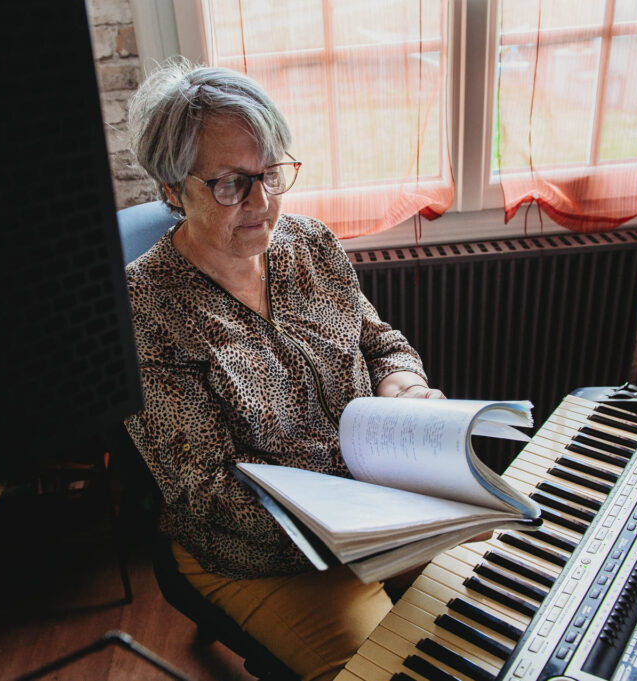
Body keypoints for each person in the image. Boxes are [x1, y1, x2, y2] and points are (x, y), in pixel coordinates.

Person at [124, 59, 448, 681]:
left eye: (271, 172)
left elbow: (378, 340)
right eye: (230, 184)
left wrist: (401, 382)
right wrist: (362, 502)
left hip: (383, 506)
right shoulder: (146, 310)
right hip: (261, 552)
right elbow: (208, 491)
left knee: (503, 603)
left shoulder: (311, 244)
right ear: (171, 188)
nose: (264, 203)